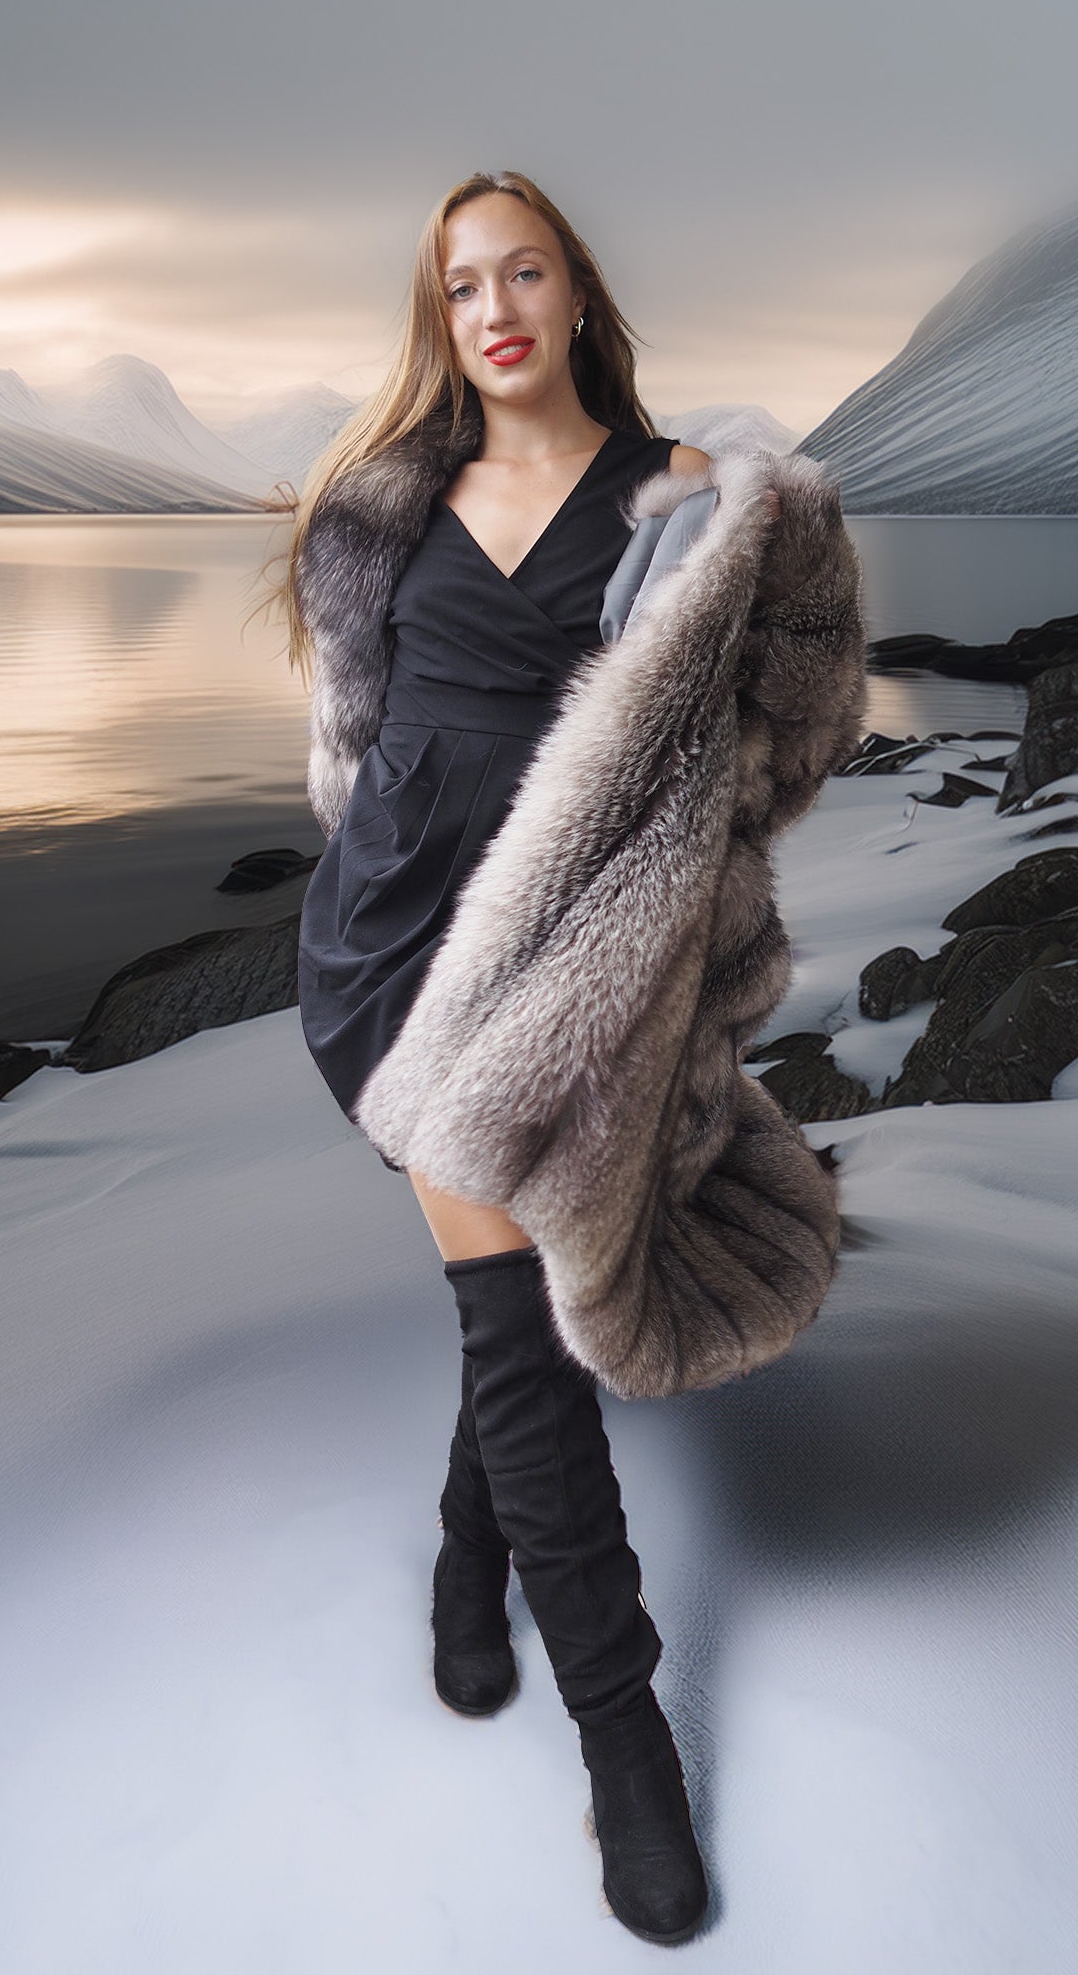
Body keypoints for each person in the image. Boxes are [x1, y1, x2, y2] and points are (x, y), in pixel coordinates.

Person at [273, 169, 781, 1948]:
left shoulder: (677, 496)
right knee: (520, 1328)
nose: (493, 309)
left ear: (574, 292)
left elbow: (746, 758)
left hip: (577, 966)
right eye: (460, 286)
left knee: (545, 1294)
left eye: (525, 271)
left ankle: (465, 1555)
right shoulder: (382, 518)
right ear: (441, 321)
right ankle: (627, 1746)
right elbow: (351, 763)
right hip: (403, 961)